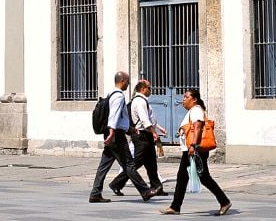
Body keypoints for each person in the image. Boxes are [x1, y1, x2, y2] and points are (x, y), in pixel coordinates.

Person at [161, 88, 231, 216]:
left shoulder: (196, 110)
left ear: (194, 99)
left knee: (203, 177)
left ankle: (224, 201)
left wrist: (193, 145)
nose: (183, 100)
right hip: (191, 150)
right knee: (182, 177)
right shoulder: (193, 111)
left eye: (186, 97)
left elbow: (198, 128)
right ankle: (175, 206)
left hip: (194, 149)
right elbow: (192, 128)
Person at [89, 71, 154, 203]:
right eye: (128, 81)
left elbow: (118, 118)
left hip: (112, 133)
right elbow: (114, 116)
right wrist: (112, 132)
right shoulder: (118, 96)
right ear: (122, 81)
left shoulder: (111, 94)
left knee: (104, 165)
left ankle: (95, 193)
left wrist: (129, 129)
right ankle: (145, 191)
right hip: (115, 135)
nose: (129, 84)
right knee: (129, 164)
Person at [130, 79, 168, 194]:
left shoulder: (143, 101)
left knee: (151, 163)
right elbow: (145, 120)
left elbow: (150, 119)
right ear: (143, 89)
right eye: (149, 88)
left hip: (146, 134)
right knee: (137, 162)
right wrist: (154, 133)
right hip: (142, 135)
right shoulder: (139, 101)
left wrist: (158, 128)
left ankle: (157, 187)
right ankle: (117, 183)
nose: (151, 90)